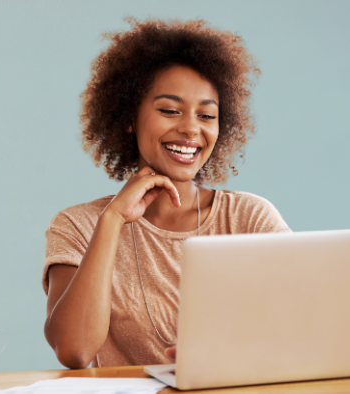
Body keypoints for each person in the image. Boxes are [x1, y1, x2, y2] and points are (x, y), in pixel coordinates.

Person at [42, 18, 290, 370]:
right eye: (170, 110)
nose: (190, 128)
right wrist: (112, 220)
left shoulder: (249, 219)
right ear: (130, 117)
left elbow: (301, 325)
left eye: (206, 115)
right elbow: (74, 350)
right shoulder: (77, 225)